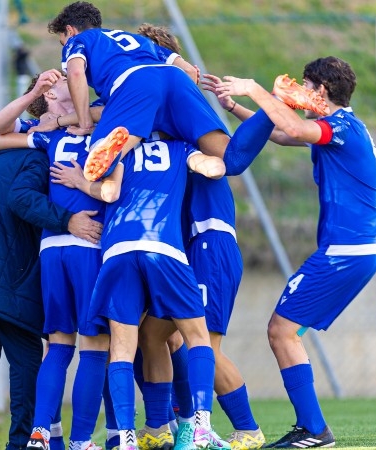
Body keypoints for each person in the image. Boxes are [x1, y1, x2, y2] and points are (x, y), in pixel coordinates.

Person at [204, 56, 376, 448]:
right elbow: (284, 134)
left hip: (345, 252)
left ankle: (315, 430)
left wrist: (255, 89)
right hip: (351, 251)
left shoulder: (340, 127)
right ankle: (312, 428)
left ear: (321, 90)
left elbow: (293, 126)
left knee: (282, 331)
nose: (298, 91)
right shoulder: (341, 126)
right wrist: (234, 106)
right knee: (284, 332)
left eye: (304, 85)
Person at [0, 79, 104, 450]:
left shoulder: (12, 147)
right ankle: (21, 443)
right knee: (27, 363)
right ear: (47, 104)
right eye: (64, 97)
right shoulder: (39, 156)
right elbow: (21, 199)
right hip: (4, 279)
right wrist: (68, 220)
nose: (77, 101)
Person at [133, 23, 266, 450]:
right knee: (154, 335)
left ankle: (246, 429)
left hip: (210, 241)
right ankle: (161, 427)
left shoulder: (186, 111)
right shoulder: (157, 115)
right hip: (182, 247)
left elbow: (227, 153)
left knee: (201, 343)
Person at [51, 134, 228, 450]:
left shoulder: (120, 147)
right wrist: (215, 161)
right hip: (163, 247)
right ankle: (200, 425)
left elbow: (108, 192)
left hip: (118, 249)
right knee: (197, 337)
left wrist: (80, 181)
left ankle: (127, 438)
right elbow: (212, 167)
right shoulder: (180, 146)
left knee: (121, 348)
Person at [0, 73, 113, 450]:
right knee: (94, 345)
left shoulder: (48, 137)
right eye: (54, 97)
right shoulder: (104, 133)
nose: (63, 100)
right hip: (88, 244)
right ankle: (82, 440)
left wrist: (48, 117)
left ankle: (41, 433)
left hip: (52, 248)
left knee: (58, 345)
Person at [47, 1, 279, 181]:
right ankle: (278, 102)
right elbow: (190, 72)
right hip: (176, 79)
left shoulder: (79, 41)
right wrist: (174, 116)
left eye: (62, 40)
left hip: (133, 82)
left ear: (70, 30)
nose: (64, 45)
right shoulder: (136, 40)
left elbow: (76, 74)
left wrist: (85, 123)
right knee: (232, 159)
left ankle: (115, 145)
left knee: (96, 165)